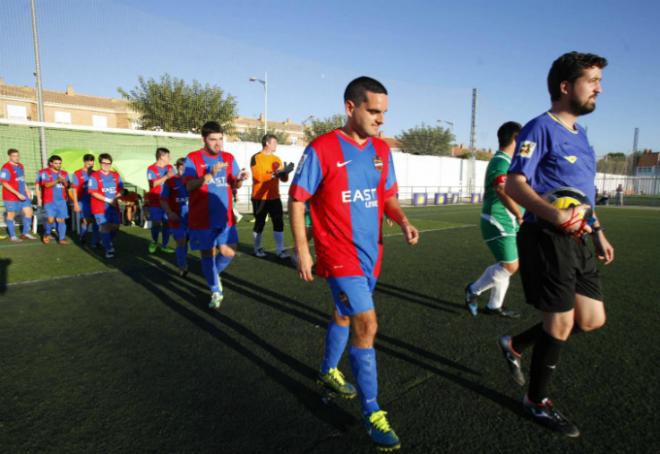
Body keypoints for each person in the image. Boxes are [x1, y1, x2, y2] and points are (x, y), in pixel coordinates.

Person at [289, 76, 419, 451]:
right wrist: (303, 249)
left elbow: (388, 197)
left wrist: (404, 221)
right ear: (351, 108)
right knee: (367, 323)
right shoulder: (323, 148)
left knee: (344, 315)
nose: (381, 119)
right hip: (337, 254)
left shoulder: (382, 150)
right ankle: (373, 411)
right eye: (374, 111)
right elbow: (298, 200)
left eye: (384, 112)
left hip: (371, 253)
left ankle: (329, 369)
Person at [498, 52, 614, 437]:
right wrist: (554, 215)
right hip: (547, 238)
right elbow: (515, 183)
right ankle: (536, 401)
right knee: (561, 323)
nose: (599, 87)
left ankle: (514, 344)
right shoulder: (539, 128)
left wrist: (596, 231)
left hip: (580, 240)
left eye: (599, 80)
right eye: (591, 80)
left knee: (592, 320)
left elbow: (584, 197)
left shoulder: (583, 138)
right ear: (566, 87)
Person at [183, 121, 248, 308]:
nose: (218, 144)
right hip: (202, 218)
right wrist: (208, 175)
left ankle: (213, 274)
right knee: (207, 254)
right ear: (204, 139)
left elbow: (234, 183)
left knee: (229, 251)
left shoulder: (228, 157)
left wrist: (240, 179)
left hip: (225, 215)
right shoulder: (193, 158)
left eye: (221, 139)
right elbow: (188, 186)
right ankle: (215, 289)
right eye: (213, 140)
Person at [465, 122, 524, 318]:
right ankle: (473, 290)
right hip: (498, 220)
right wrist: (519, 213)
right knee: (510, 265)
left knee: (507, 265)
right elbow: (501, 190)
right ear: (516, 139)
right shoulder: (501, 161)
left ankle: (494, 306)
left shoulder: (508, 162)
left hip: (508, 221)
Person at [250, 134, 294, 258]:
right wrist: (276, 174)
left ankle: (280, 250)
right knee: (259, 223)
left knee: (278, 222)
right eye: (274, 142)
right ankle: (257, 248)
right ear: (267, 143)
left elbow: (283, 179)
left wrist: (285, 173)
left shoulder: (277, 159)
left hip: (274, 197)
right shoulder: (256, 157)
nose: (276, 145)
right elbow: (258, 176)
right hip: (259, 197)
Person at [88, 153, 124, 258]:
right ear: (100, 163)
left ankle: (105, 240)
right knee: (104, 227)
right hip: (99, 207)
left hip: (113, 206)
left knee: (116, 227)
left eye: (108, 163)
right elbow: (93, 192)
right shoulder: (94, 176)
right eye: (104, 163)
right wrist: (108, 200)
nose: (106, 165)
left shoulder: (116, 175)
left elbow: (121, 190)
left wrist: (117, 196)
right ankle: (108, 249)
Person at [160, 158, 189, 276]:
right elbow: (163, 199)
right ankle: (182, 266)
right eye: (180, 165)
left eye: (186, 166)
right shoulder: (170, 181)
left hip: (194, 219)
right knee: (181, 241)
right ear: (177, 166)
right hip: (177, 218)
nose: (183, 167)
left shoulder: (194, 180)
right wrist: (169, 213)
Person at [0, 148, 36, 241]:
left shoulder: (20, 166)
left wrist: (27, 189)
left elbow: (22, 179)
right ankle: (12, 236)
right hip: (11, 197)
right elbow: (4, 183)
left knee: (29, 212)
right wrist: (17, 193)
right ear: (10, 157)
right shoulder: (6, 168)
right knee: (11, 215)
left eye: (18, 155)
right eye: (14, 156)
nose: (17, 157)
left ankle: (25, 233)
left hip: (23, 195)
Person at [36, 155, 71, 245]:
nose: (58, 165)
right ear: (51, 163)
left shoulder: (64, 173)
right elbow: (46, 185)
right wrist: (57, 180)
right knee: (50, 220)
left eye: (59, 163)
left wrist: (64, 181)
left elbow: (67, 186)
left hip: (61, 201)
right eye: (56, 163)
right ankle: (47, 233)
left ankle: (61, 238)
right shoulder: (44, 172)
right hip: (49, 201)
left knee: (61, 220)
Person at [146, 148, 175, 254]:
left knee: (167, 223)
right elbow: (153, 184)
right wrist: (166, 176)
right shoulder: (151, 169)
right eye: (168, 156)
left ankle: (164, 245)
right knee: (156, 223)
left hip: (168, 201)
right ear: (161, 156)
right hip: (155, 200)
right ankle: (154, 241)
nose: (169, 158)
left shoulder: (170, 167)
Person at [72, 154, 100, 247]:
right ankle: (82, 235)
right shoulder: (77, 173)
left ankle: (95, 242)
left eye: (92, 162)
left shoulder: (96, 173)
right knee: (86, 221)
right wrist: (75, 203)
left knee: (97, 221)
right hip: (83, 201)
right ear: (84, 162)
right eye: (88, 162)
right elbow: (74, 189)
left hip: (95, 201)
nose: (90, 164)